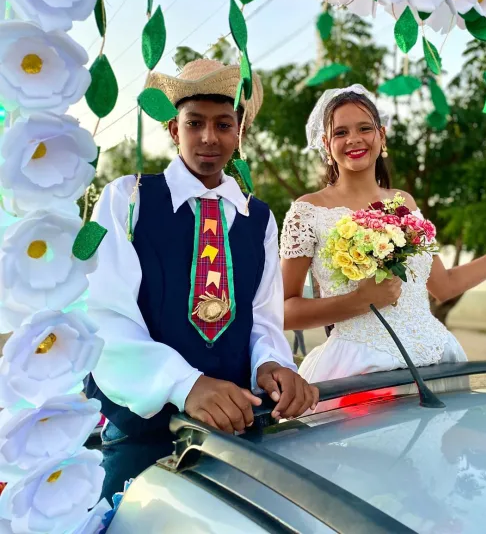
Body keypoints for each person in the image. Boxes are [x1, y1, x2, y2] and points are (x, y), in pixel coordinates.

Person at [86, 59, 318, 501]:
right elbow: (105, 316)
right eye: (195, 123)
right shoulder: (128, 199)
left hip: (239, 434)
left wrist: (272, 365)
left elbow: (263, 320)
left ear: (239, 132)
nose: (209, 138)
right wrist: (184, 383)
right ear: (174, 129)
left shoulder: (259, 218)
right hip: (145, 435)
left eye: (224, 124)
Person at [280, 84, 486, 384]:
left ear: (381, 136)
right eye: (341, 132)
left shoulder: (403, 202)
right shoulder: (307, 211)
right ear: (326, 142)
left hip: (437, 361)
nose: (354, 139)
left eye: (364, 128)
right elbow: (283, 312)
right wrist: (360, 300)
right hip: (361, 370)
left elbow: (445, 285)